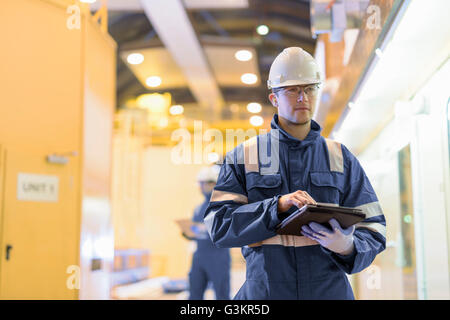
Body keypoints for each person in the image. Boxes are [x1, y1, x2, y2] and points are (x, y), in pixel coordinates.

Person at [203, 47, 386, 300]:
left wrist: (347, 247)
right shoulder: (244, 157)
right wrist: (275, 207)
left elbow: (374, 227)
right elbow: (218, 225)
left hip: (328, 292)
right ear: (274, 98)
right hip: (266, 293)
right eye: (292, 90)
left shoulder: (340, 157)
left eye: (310, 88)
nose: (303, 97)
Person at [183, 165, 231, 300]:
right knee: (194, 294)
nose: (201, 186)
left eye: (204, 183)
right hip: (199, 256)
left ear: (214, 184)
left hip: (218, 257)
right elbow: (195, 232)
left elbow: (226, 232)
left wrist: (204, 230)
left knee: (222, 295)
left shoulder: (224, 206)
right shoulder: (198, 208)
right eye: (200, 183)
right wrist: (187, 233)